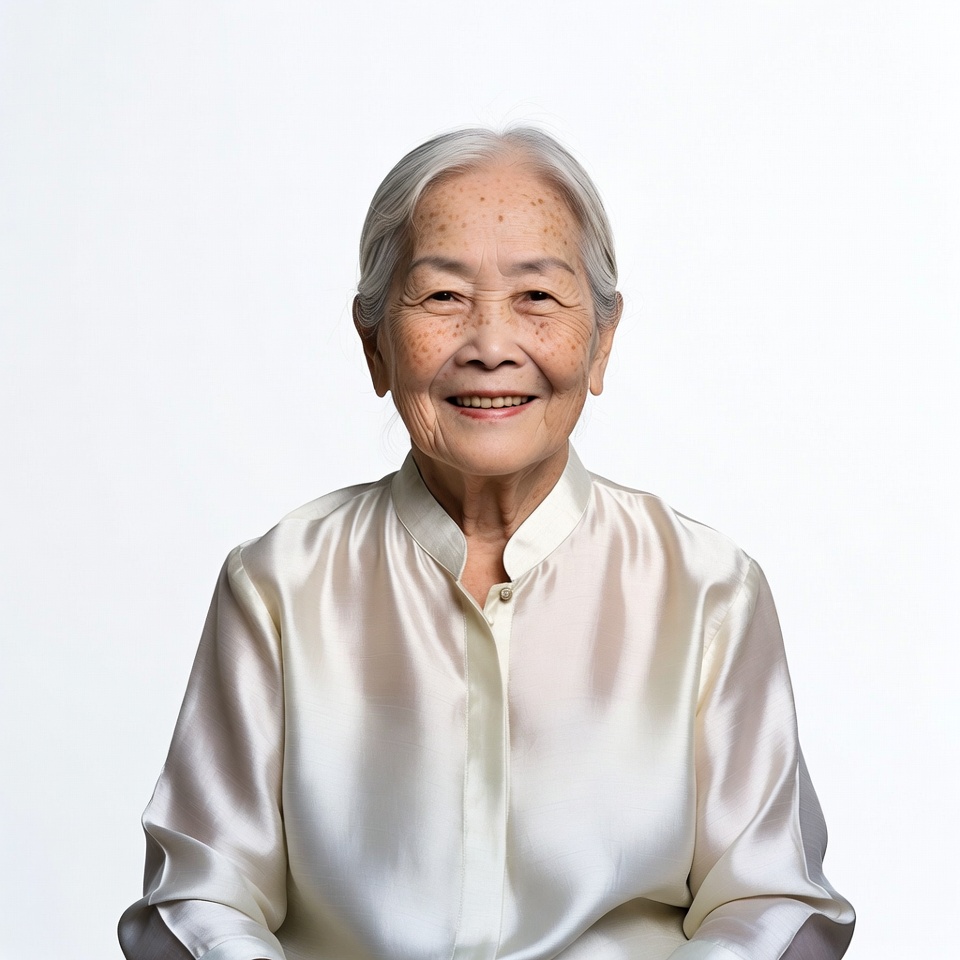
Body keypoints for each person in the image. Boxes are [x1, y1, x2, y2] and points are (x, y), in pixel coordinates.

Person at [119, 127, 855, 960]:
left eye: (538, 298)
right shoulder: (277, 583)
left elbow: (770, 902)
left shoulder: (709, 589)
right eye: (442, 298)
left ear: (602, 340)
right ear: (374, 346)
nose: (491, 345)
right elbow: (197, 900)